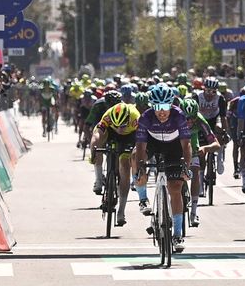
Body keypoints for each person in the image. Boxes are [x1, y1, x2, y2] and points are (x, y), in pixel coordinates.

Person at [133, 82, 194, 253]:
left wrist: (186, 168)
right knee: (134, 158)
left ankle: (177, 234)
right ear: (152, 105)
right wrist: (140, 168)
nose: (161, 111)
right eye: (157, 106)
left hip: (173, 147)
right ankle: (143, 198)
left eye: (165, 106)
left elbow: (186, 145)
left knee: (175, 187)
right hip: (153, 144)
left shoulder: (179, 115)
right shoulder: (145, 117)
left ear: (171, 104)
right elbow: (141, 146)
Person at [88, 101, 141, 227]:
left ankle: (121, 211)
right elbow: (96, 135)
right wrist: (93, 151)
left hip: (130, 136)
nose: (119, 129)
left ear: (128, 119)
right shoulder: (107, 116)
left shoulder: (135, 117)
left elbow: (142, 139)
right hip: (110, 133)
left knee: (124, 165)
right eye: (117, 125)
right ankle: (99, 179)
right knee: (98, 147)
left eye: (122, 125)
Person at [181, 97, 219, 228]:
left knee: (195, 172)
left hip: (192, 147)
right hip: (176, 147)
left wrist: (206, 148)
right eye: (186, 118)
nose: (190, 121)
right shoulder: (175, 119)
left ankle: (193, 212)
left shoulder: (200, 119)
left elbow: (216, 144)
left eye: (192, 118)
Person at [196, 76, 229, 175]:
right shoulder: (197, 97)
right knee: (201, 152)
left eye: (213, 92)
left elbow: (223, 117)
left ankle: (219, 158)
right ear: (204, 89)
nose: (210, 94)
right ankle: (201, 181)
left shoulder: (220, 98)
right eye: (208, 91)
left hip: (214, 119)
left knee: (219, 129)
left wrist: (225, 132)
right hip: (200, 120)